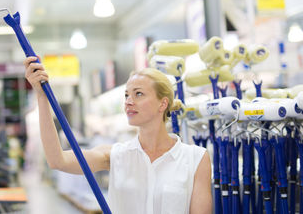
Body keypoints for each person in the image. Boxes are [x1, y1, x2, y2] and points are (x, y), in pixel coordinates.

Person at [24, 56, 212, 214]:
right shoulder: (116, 155)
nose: (129, 102)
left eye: (138, 94)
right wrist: (42, 96)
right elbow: (58, 160)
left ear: (162, 104)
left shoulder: (195, 159)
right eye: (126, 95)